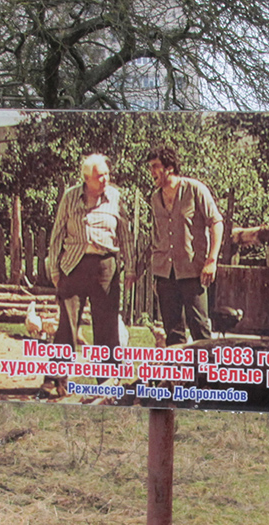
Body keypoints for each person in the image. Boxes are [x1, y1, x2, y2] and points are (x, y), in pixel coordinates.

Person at [44, 154, 135, 393]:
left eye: (106, 174)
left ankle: (109, 383)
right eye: (99, 176)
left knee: (107, 328)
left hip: (106, 266)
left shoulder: (115, 197)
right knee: (67, 325)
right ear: (86, 179)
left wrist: (131, 268)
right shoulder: (70, 197)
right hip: (73, 266)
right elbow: (57, 234)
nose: (104, 179)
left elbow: (125, 235)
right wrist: (54, 269)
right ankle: (55, 380)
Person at [146, 145, 224, 346]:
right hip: (165, 274)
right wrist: (157, 274)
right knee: (173, 332)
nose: (151, 172)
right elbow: (156, 236)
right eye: (150, 167)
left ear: (169, 167)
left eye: (155, 166)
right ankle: (179, 376)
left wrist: (211, 260)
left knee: (200, 329)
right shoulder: (155, 198)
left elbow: (216, 222)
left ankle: (208, 377)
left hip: (192, 272)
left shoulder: (195, 190)